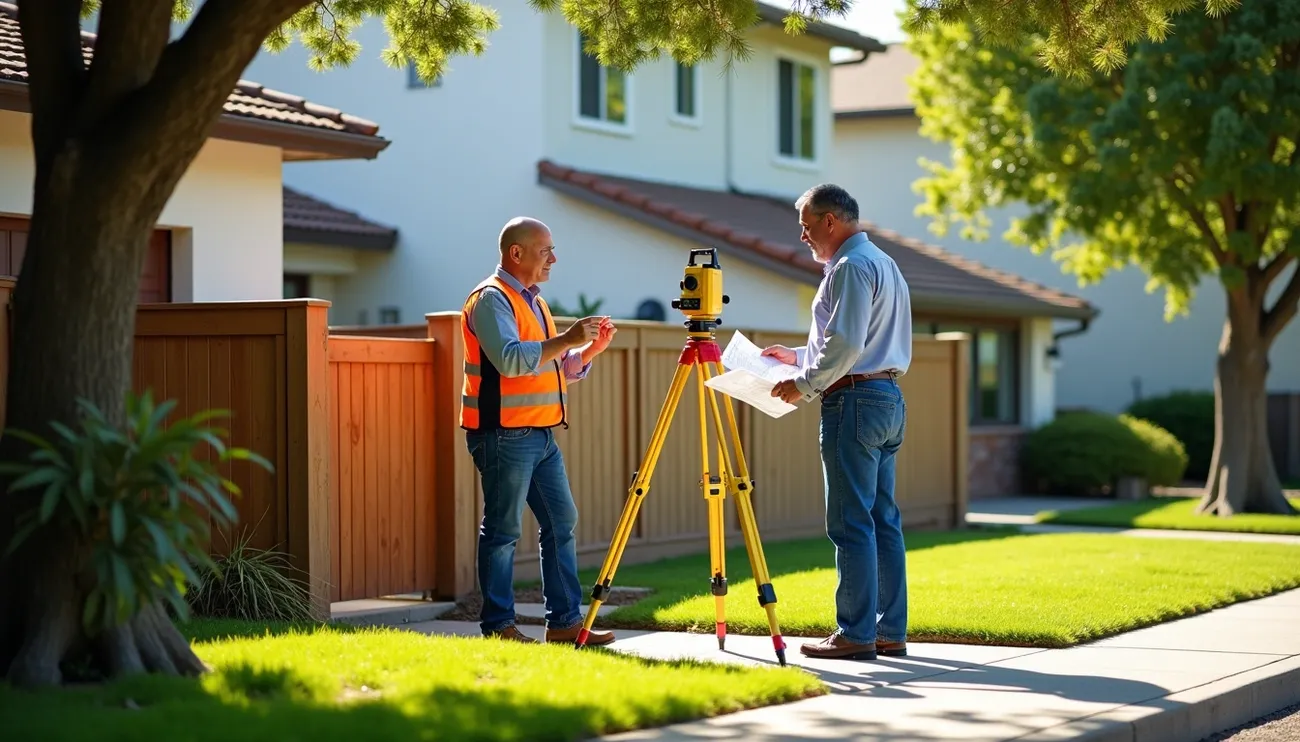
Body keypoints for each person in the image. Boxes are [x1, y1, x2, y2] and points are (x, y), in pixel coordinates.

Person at [764, 184, 913, 661]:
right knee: (882, 520)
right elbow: (854, 342)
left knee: (850, 522)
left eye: (807, 226)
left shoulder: (848, 267)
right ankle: (889, 630)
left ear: (831, 221)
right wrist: (799, 355)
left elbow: (847, 344)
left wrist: (803, 383)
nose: (804, 236)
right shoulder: (884, 263)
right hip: (887, 396)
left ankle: (854, 633)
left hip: (853, 402)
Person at [460, 216, 618, 646]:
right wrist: (566, 339)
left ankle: (564, 623)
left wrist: (589, 350)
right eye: (546, 249)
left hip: (541, 434)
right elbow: (512, 360)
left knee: (561, 520)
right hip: (503, 434)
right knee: (503, 530)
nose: (554, 257)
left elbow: (551, 364)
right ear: (517, 253)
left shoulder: (534, 301)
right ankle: (498, 626)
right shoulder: (491, 300)